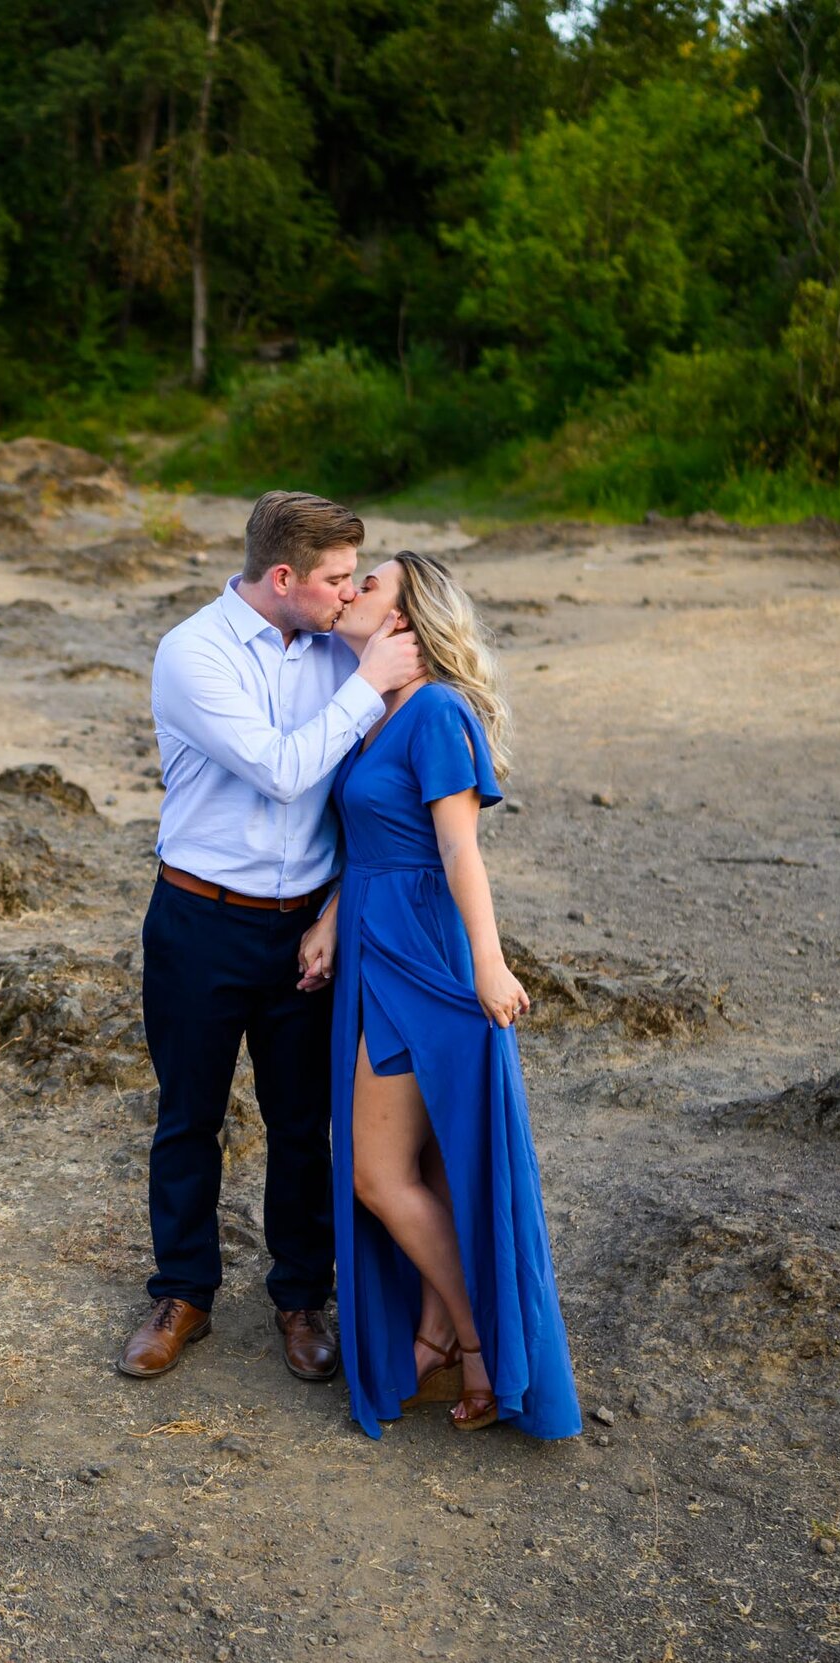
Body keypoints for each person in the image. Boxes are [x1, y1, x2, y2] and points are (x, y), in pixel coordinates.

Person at [119, 491, 424, 1383]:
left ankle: (301, 1299)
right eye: (334, 579)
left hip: (308, 932)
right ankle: (182, 1294)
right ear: (283, 577)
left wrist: (334, 912)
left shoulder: (339, 645)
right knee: (189, 1116)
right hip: (200, 919)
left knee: (303, 1124)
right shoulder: (194, 653)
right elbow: (288, 772)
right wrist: (366, 686)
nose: (346, 593)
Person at [297, 550, 582, 1438]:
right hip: (374, 947)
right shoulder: (377, 713)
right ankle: (433, 1332)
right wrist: (335, 914)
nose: (350, 593)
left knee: (378, 1175)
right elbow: (378, 837)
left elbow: (458, 850)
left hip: (427, 958)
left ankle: (478, 1345)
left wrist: (490, 965)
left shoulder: (436, 713)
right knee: (415, 1168)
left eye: (368, 584)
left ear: (407, 616)